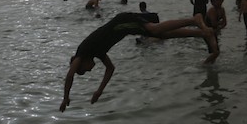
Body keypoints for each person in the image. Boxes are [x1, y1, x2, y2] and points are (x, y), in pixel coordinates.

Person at [61, 13, 219, 111]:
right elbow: (110, 69)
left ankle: (193, 20)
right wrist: (100, 90)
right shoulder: (97, 52)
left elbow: (70, 74)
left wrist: (66, 97)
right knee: (161, 35)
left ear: (80, 64)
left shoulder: (82, 52)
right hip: (124, 27)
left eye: (85, 70)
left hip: (121, 22)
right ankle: (201, 33)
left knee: (154, 30)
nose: (89, 70)